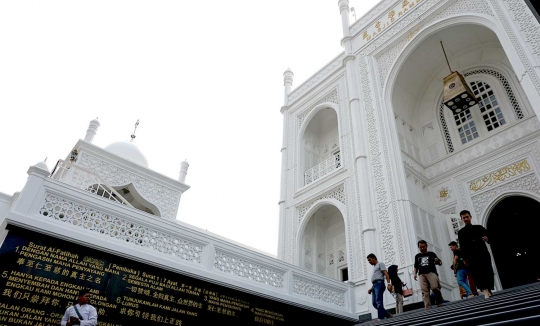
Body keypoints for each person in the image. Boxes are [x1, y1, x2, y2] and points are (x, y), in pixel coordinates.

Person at [458, 210, 494, 299]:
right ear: (461, 219)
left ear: (470, 217)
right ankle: (484, 291)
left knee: (487, 271)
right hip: (471, 256)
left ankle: (488, 289)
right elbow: (462, 246)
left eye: (467, 217)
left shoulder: (479, 228)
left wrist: (487, 239)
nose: (466, 219)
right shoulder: (461, 232)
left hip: (483, 253)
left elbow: (489, 237)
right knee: (477, 274)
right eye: (464, 217)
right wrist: (465, 259)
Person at [413, 240, 444, 310]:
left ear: (426, 246)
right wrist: (414, 274)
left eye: (423, 247)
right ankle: (427, 307)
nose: (422, 248)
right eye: (420, 247)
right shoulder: (417, 256)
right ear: (418, 247)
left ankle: (439, 301)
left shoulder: (431, 254)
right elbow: (416, 266)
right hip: (421, 274)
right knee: (424, 291)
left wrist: (438, 262)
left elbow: (440, 262)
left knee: (435, 287)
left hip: (431, 272)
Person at [367, 253, 393, 320]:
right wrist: (371, 288)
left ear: (373, 258)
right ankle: (387, 315)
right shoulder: (375, 267)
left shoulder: (380, 264)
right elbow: (376, 277)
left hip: (379, 284)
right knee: (374, 303)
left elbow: (386, 274)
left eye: (369, 260)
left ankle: (381, 317)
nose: (369, 262)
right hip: (374, 285)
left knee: (379, 301)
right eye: (368, 261)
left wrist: (389, 284)